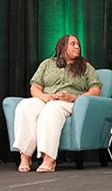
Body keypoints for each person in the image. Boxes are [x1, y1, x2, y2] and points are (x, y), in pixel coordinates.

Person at [13, 35, 102, 173]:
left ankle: (49, 159)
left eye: (78, 44)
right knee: (25, 106)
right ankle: (25, 156)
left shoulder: (86, 67)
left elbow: (95, 90)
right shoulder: (47, 64)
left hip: (69, 102)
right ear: (62, 47)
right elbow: (34, 87)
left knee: (51, 109)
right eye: (73, 44)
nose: (77, 47)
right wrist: (44, 97)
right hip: (46, 98)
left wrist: (74, 97)